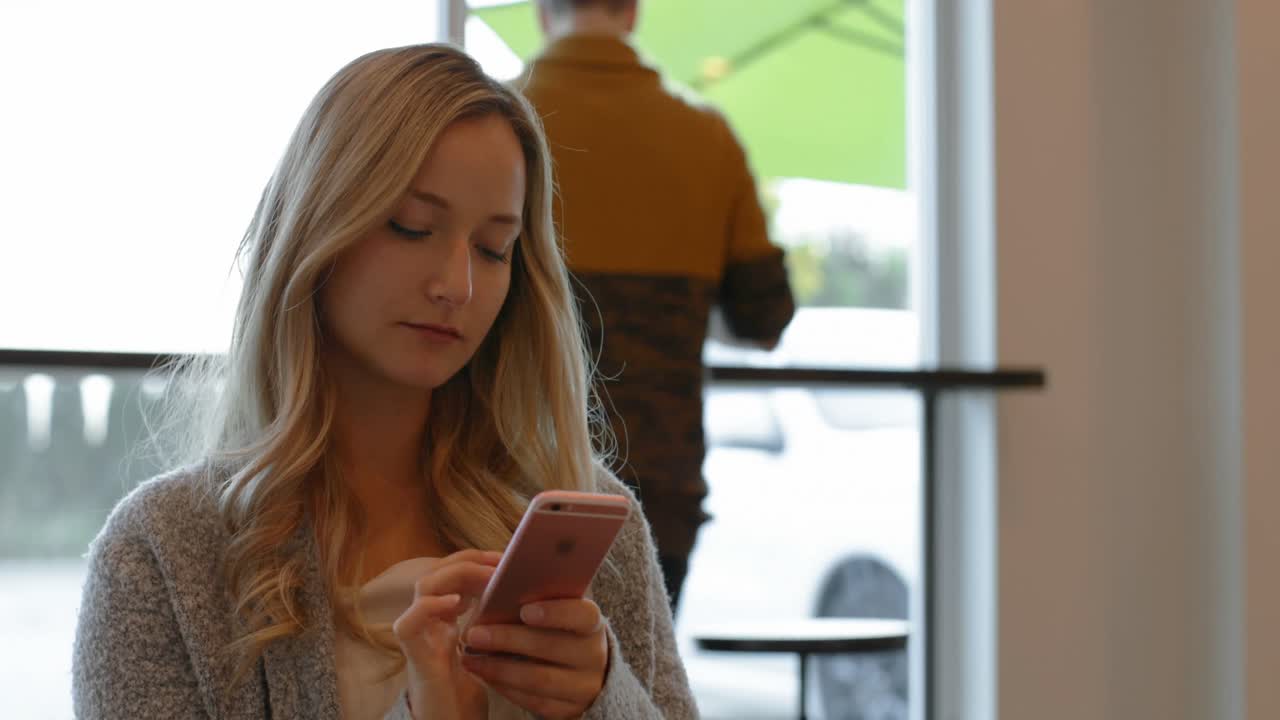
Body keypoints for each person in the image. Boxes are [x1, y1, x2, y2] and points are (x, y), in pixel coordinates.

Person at [71, 44, 697, 720]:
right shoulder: (164, 554)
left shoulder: (593, 526)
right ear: (317, 226)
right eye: (412, 227)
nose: (456, 285)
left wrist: (604, 698)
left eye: (493, 249)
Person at [517, 0, 796, 610]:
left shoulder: (500, 122)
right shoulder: (706, 135)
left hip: (507, 480)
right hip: (658, 492)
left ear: (543, 12)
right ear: (633, 13)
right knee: (642, 695)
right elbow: (765, 316)